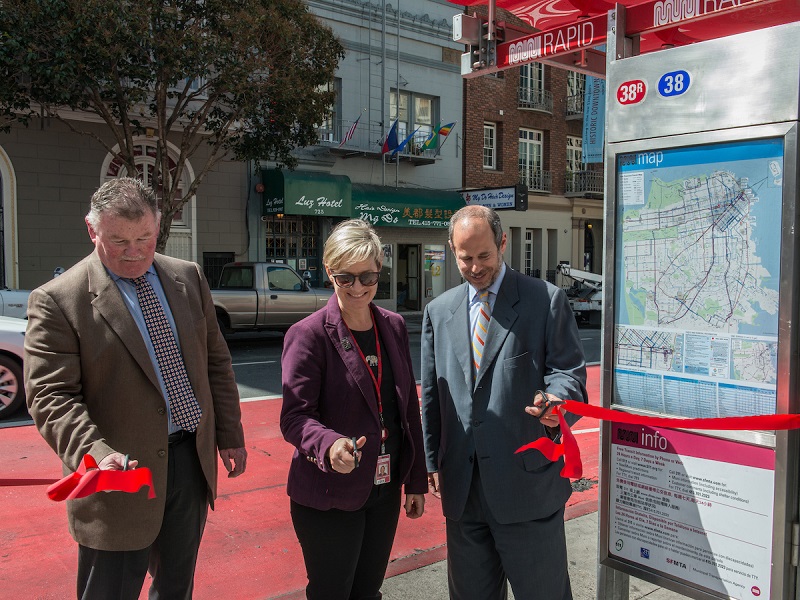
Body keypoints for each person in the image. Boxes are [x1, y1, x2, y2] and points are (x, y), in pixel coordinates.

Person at [24, 177, 247, 600]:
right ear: (93, 230)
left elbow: (215, 362)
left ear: (159, 226)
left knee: (176, 587)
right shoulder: (58, 300)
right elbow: (51, 397)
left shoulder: (187, 277)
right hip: (117, 476)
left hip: (188, 463)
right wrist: (97, 456)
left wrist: (229, 435)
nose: (134, 251)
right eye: (119, 240)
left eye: (145, 237)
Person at [421, 205, 588, 600]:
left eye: (484, 256)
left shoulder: (544, 300)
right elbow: (432, 395)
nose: (475, 267)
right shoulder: (438, 312)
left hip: (526, 489)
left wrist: (555, 404)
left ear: (503, 243)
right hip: (463, 492)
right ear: (452, 250)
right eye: (465, 258)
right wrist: (430, 461)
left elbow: (570, 375)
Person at [280, 219, 426, 600]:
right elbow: (294, 417)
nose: (358, 288)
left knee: (369, 592)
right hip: (329, 493)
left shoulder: (392, 326)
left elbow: (407, 409)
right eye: (346, 278)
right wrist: (328, 445)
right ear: (329, 272)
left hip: (384, 490)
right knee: (332, 593)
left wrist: (415, 481)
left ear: (380, 270)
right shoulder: (308, 334)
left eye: (368, 277)